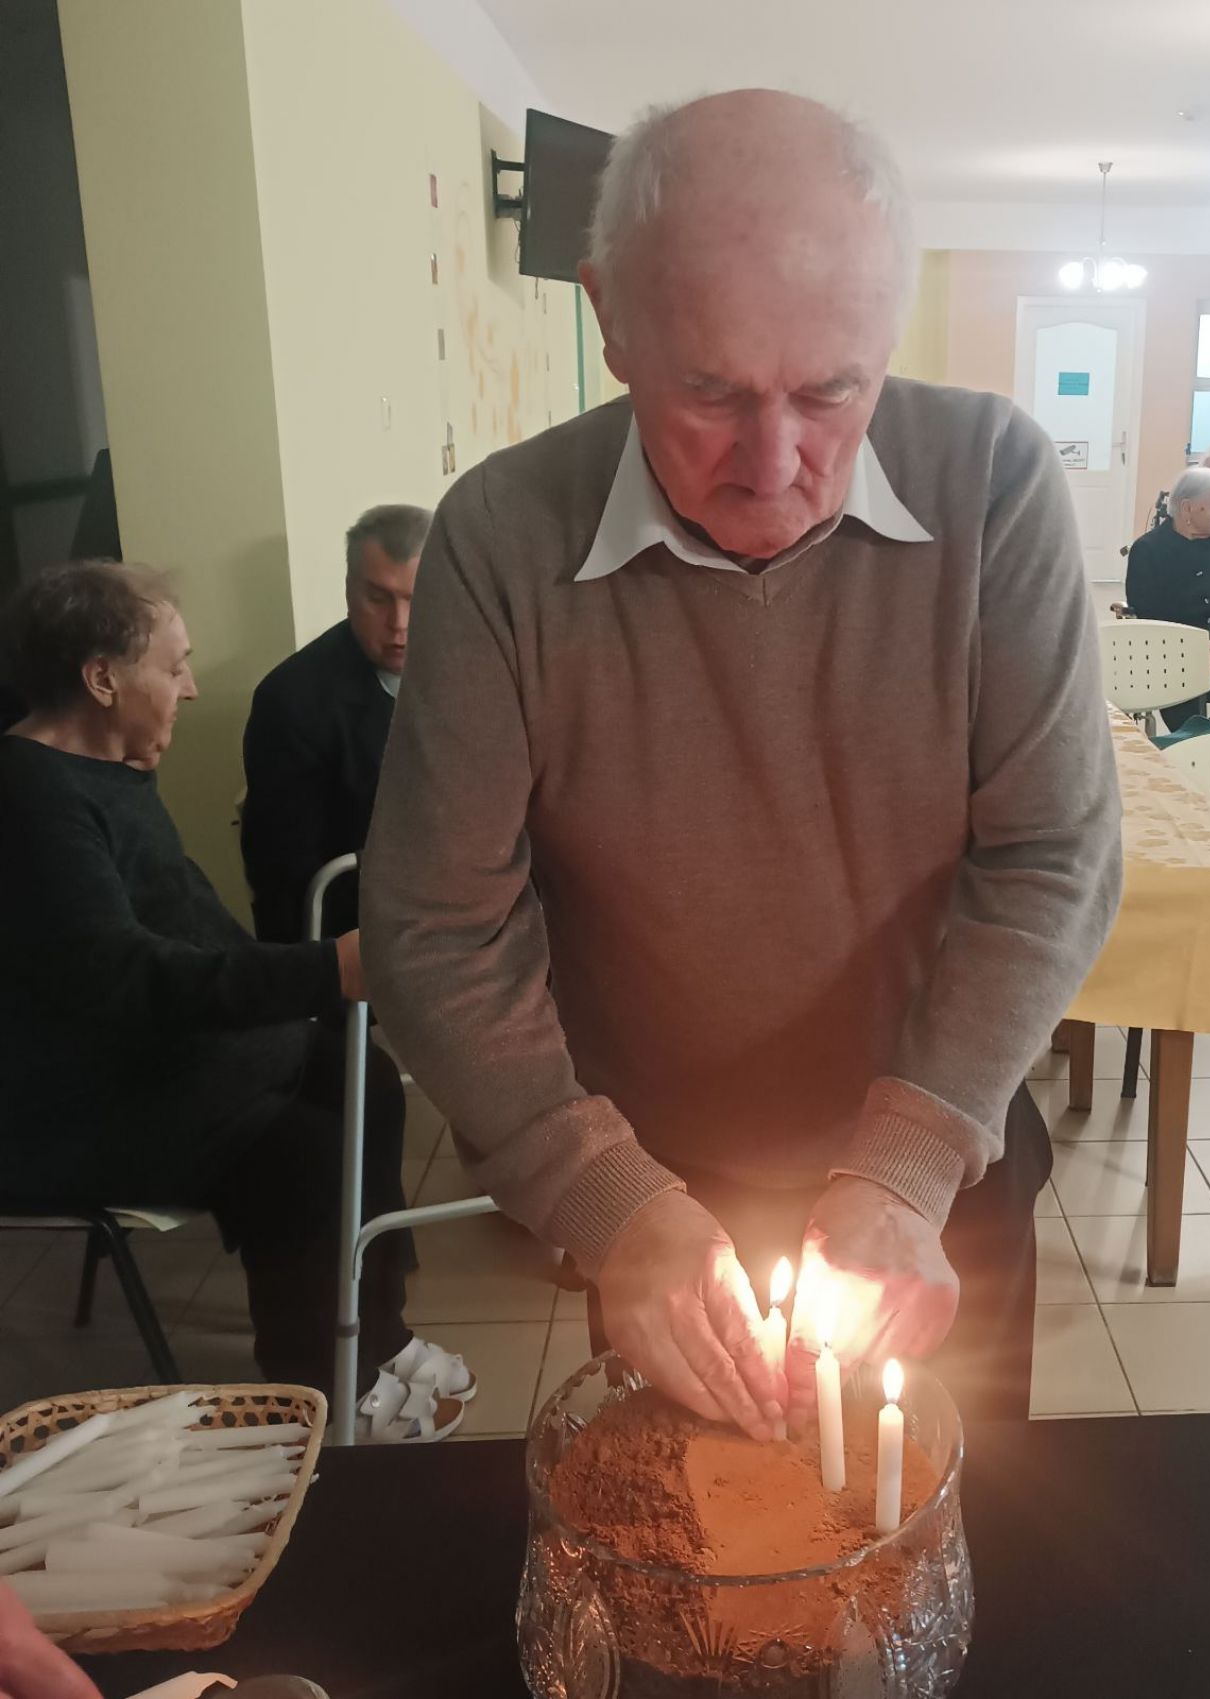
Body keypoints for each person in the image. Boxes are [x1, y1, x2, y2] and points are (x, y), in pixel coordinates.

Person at [362, 91, 1122, 1432]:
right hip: (654, 1194)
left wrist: (904, 1161)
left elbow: (1052, 851)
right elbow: (437, 922)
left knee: (944, 1537)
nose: (773, 467)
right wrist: (604, 1196)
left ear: (889, 328)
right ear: (608, 316)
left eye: (831, 391)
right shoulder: (499, 535)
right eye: (708, 393)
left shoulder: (992, 478)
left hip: (932, 1166)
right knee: (683, 1541)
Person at [0, 562, 470, 1441]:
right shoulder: (33, 803)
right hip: (82, 1105)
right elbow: (125, 977)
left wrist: (308, 983)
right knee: (301, 1155)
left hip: (155, 1058)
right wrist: (324, 970)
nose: (189, 686)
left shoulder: (104, 769)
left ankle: (374, 1335)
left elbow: (191, 936)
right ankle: (316, 1396)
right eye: (173, 665)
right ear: (102, 679)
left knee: (360, 1074)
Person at [241, 504, 429, 942]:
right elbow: (288, 880)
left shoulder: (482, 669)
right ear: (348, 591)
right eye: (378, 599)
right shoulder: (291, 700)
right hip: (363, 933)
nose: (399, 625)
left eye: (418, 598)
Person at [1123, 465, 1210, 730]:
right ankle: (1191, 751)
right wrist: (1194, 648)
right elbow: (1148, 613)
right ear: (1187, 508)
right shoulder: (1147, 550)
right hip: (1174, 651)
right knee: (1180, 693)